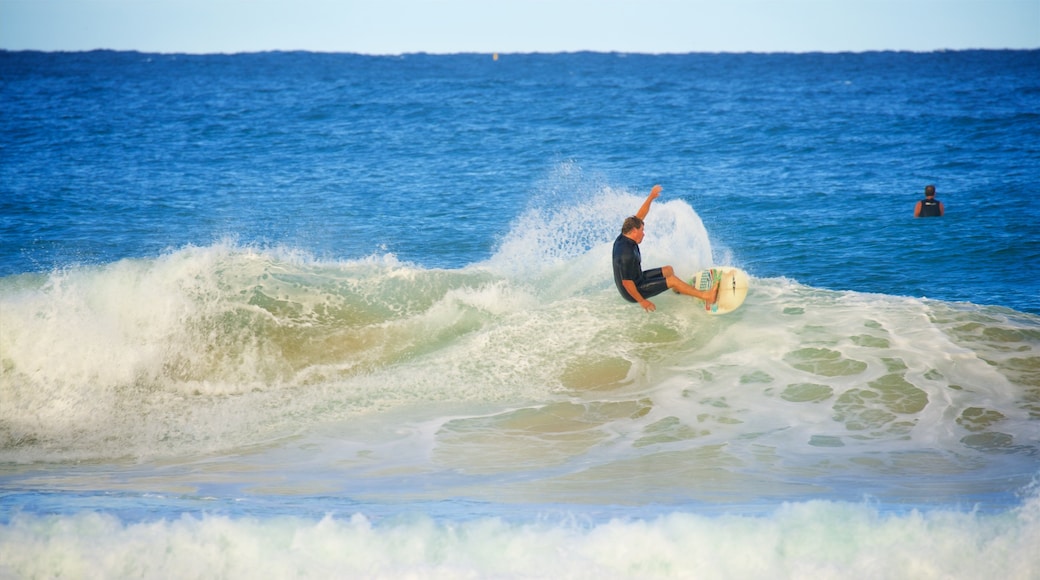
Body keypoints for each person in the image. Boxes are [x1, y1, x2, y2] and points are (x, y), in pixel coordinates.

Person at [612, 185, 720, 312]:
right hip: (634, 291)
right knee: (672, 280)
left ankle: (680, 289)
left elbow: (640, 215)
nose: (644, 233)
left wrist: (651, 197)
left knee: (668, 270)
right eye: (642, 230)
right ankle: (707, 296)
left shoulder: (625, 234)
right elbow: (627, 283)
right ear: (634, 231)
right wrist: (642, 301)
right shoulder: (626, 253)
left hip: (638, 278)